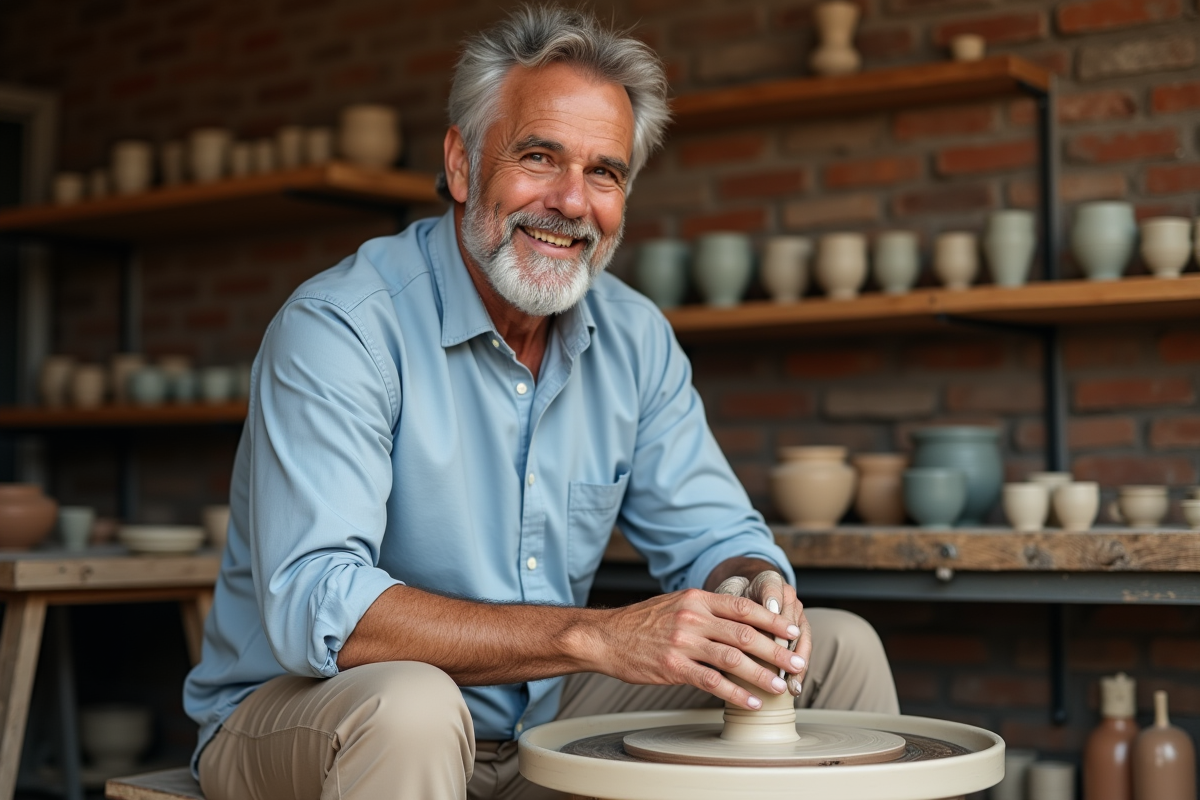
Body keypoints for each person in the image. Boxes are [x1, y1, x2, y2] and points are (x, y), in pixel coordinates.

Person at [183, 6, 899, 799]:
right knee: (413, 706)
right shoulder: (342, 326)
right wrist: (597, 636)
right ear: (462, 165)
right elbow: (318, 603)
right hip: (309, 716)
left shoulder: (634, 337)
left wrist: (752, 586)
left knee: (838, 648)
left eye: (604, 173)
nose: (571, 201)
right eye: (538, 157)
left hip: (538, 719)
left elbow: (716, 535)